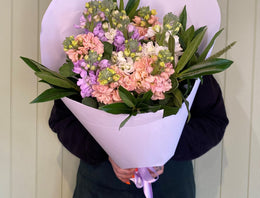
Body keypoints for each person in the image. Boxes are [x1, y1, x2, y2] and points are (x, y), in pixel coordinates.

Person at [49, 75, 229, 198]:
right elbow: (63, 119)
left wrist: (165, 147)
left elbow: (213, 120)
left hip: (171, 184)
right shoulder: (89, 53)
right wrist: (107, 150)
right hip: (101, 183)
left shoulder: (185, 52)